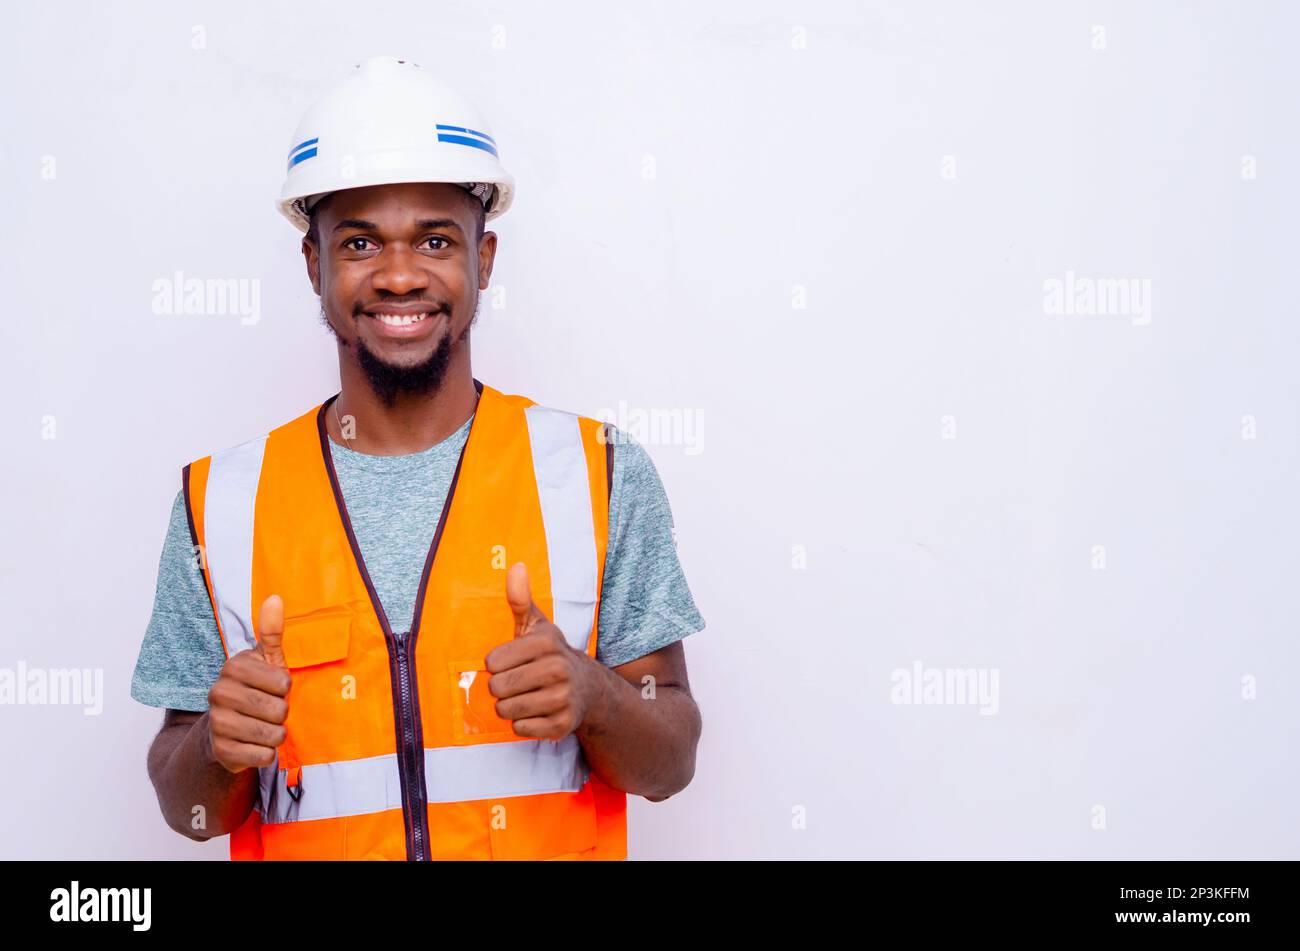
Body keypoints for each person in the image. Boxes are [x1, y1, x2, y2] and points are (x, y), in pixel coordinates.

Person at [130, 56, 705, 860]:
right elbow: (185, 805)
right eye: (360, 242)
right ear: (315, 265)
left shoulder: (596, 471)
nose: (400, 275)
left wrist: (596, 693)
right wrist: (216, 747)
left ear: (484, 259)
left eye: (435, 239)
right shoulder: (220, 500)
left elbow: (670, 761)